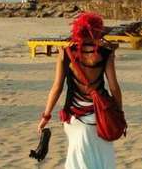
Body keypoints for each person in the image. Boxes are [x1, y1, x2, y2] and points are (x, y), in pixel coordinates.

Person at [37, 12, 122, 169]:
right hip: (102, 117)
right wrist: (119, 113)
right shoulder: (106, 53)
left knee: (79, 160)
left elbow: (57, 88)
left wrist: (46, 116)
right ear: (98, 30)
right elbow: (114, 87)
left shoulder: (66, 53)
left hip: (75, 117)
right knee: (102, 159)